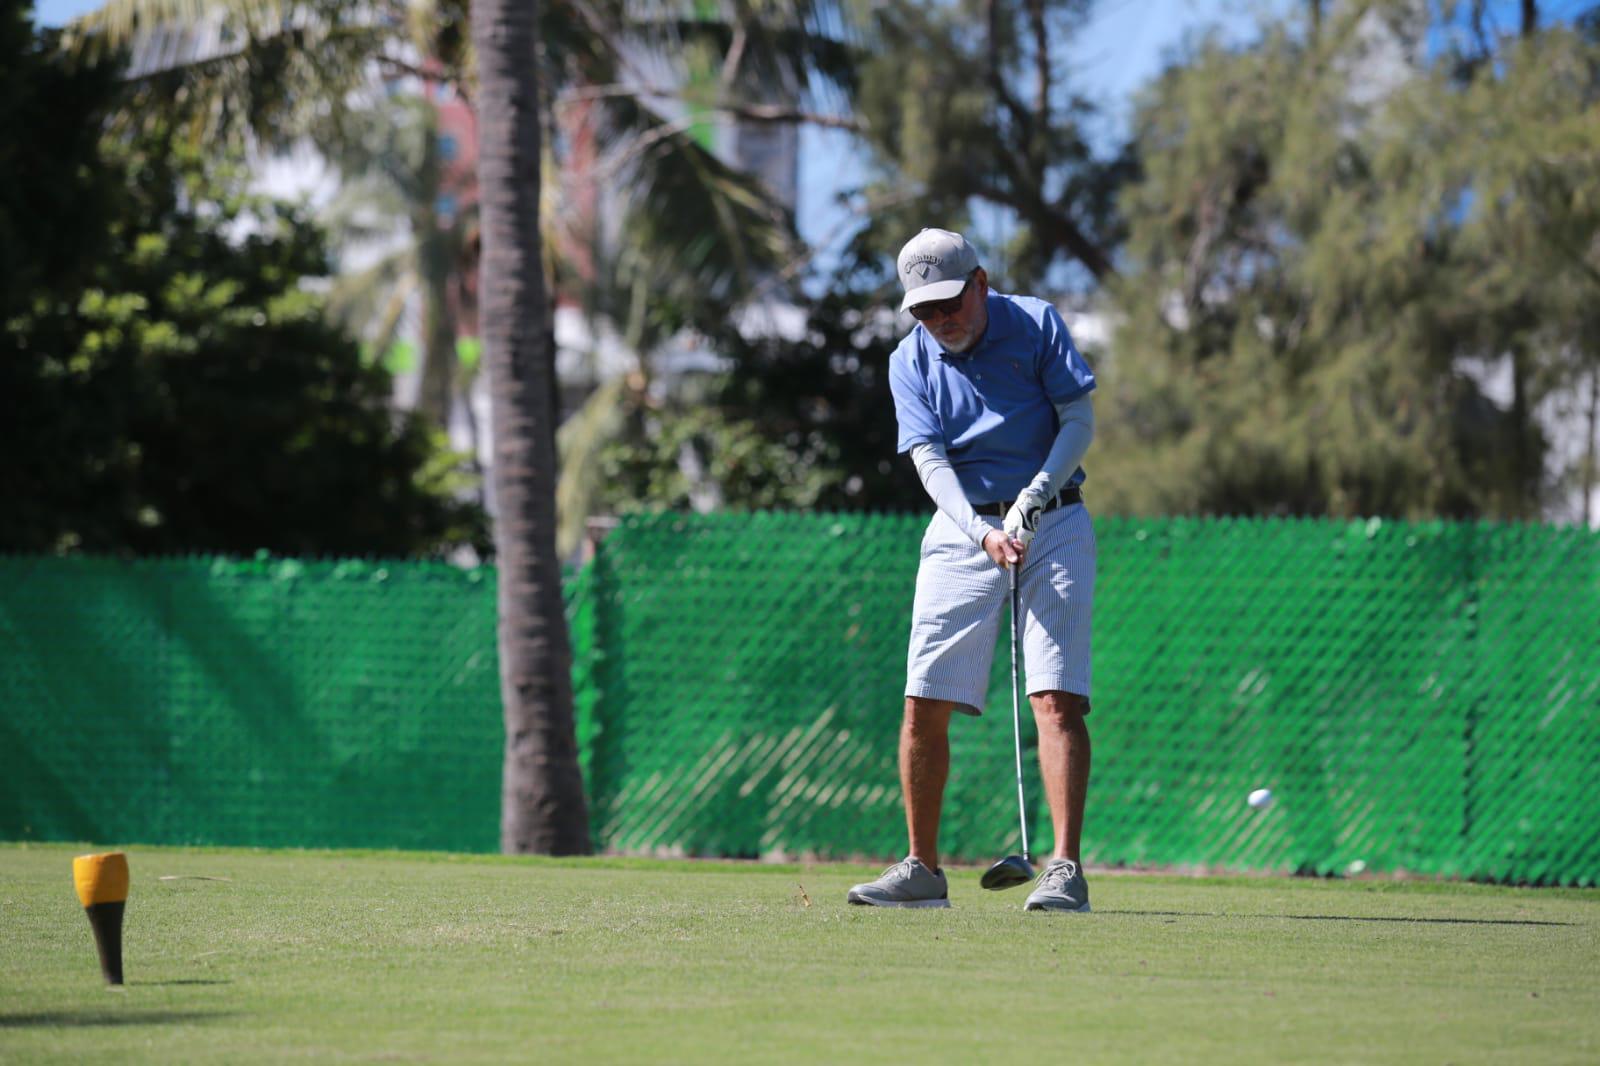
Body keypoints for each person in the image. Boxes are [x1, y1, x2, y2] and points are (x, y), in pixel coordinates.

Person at [847, 228, 1097, 912]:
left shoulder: (1037, 322)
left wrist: (1034, 498)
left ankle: (1064, 868)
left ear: (980, 283)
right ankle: (923, 870)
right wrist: (982, 529)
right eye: (923, 310)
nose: (940, 320)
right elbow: (928, 460)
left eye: (950, 302)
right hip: (965, 528)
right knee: (923, 700)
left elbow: (1077, 418)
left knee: (1056, 697)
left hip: (1055, 519)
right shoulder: (910, 360)